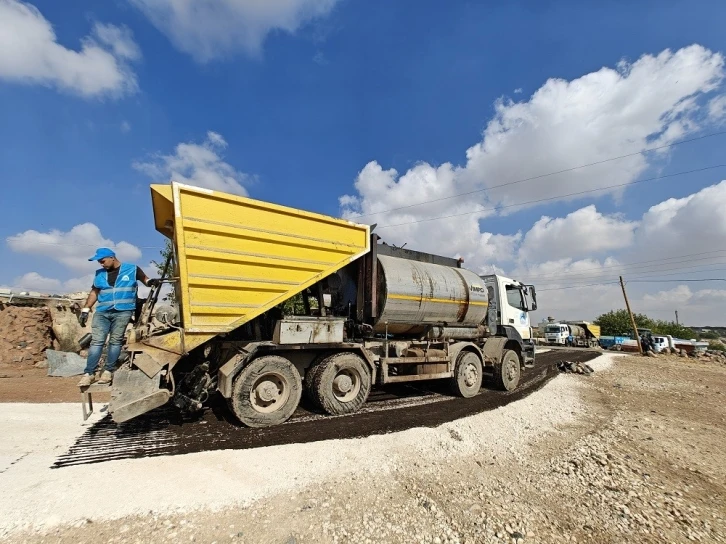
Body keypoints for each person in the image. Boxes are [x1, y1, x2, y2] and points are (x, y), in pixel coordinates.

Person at [77, 248, 159, 387]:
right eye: (99, 262)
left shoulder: (132, 269)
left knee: (115, 342)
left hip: (123, 311)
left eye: (102, 261)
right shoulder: (99, 274)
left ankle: (108, 371)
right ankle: (89, 373)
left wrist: (152, 282)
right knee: (97, 342)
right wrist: (85, 309)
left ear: (112, 258)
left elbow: (146, 280)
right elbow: (94, 292)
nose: (101, 264)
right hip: (102, 312)